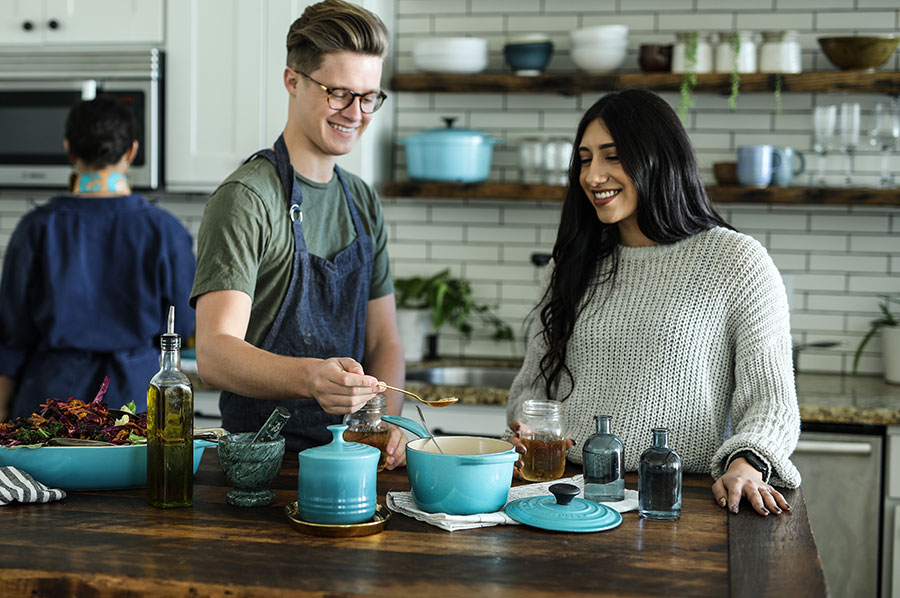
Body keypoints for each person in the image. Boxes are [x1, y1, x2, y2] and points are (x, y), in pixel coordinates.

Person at [506, 88, 800, 517]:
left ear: (658, 159)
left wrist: (747, 463)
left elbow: (771, 402)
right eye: (585, 159)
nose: (593, 176)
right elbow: (532, 387)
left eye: (613, 156)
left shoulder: (736, 261)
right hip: (567, 497)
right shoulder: (572, 264)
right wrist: (526, 427)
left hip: (678, 499)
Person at [190, 0, 407, 466]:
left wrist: (388, 419)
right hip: (263, 469)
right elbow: (214, 353)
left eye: (369, 97)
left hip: (353, 460)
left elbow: (384, 340)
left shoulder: (362, 200)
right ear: (293, 81)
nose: (356, 113)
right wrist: (312, 377)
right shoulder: (247, 198)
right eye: (339, 93)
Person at [0, 95, 196, 421]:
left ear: (69, 150)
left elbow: (10, 336)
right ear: (131, 152)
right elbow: (185, 323)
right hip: (135, 402)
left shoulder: (36, 227)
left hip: (49, 403)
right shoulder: (165, 231)